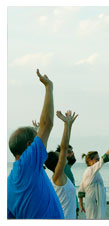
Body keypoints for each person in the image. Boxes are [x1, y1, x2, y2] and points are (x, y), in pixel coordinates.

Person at [7, 69, 64, 219]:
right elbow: (47, 124)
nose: (41, 143)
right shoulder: (28, 163)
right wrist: (49, 87)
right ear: (28, 146)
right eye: (35, 141)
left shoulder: (10, 182)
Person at [44, 110, 78, 219]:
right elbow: (64, 147)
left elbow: (65, 146)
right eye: (61, 155)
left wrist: (69, 125)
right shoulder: (57, 177)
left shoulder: (59, 177)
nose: (64, 156)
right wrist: (65, 124)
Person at [78, 136, 109, 219]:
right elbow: (104, 159)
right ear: (90, 160)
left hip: (93, 201)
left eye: (98, 159)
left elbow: (81, 191)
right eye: (96, 159)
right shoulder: (91, 170)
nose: (98, 161)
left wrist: (81, 205)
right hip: (93, 202)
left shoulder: (89, 172)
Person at [56, 144, 80, 217]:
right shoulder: (63, 169)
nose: (73, 153)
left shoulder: (67, 170)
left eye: (72, 151)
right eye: (69, 152)